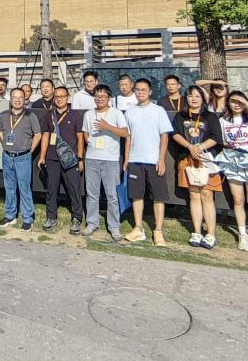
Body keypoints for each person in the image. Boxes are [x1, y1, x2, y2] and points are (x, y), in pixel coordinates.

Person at [171, 86, 224, 249]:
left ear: (203, 99)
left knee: (207, 195)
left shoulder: (210, 117)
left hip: (205, 159)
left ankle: (211, 234)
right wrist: (189, 146)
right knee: (193, 195)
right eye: (190, 96)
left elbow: (216, 137)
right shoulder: (180, 116)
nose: (193, 99)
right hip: (187, 158)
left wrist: (200, 147)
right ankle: (197, 231)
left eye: (197, 96)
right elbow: (175, 133)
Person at [122, 78, 173, 246]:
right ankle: (138, 228)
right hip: (135, 160)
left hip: (153, 160)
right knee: (136, 196)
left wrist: (161, 159)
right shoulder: (129, 112)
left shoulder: (158, 110)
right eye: (137, 89)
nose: (140, 92)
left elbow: (164, 136)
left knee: (159, 197)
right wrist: (126, 159)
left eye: (143, 90)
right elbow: (128, 138)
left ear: (150, 92)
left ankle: (158, 230)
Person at [81, 84, 129, 240]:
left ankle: (114, 227)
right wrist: (90, 142)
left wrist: (107, 127)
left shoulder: (116, 113)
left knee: (112, 195)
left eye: (103, 96)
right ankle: (92, 223)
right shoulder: (88, 114)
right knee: (92, 193)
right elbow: (85, 132)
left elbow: (125, 133)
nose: (99, 98)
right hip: (91, 158)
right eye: (97, 96)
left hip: (110, 160)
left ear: (109, 98)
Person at [219, 91, 248, 253]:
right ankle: (243, 234)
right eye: (233, 101)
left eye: (240, 101)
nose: (236, 104)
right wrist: (227, 144)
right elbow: (221, 139)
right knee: (238, 200)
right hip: (233, 160)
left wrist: (247, 104)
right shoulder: (223, 120)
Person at [39, 86, 84, 234]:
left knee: (74, 189)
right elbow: (45, 136)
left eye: (62, 96)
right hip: (52, 158)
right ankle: (51, 217)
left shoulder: (75, 115)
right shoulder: (49, 115)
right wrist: (42, 156)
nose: (59, 99)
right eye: (57, 97)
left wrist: (80, 158)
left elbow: (80, 138)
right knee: (51, 189)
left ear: (67, 97)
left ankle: (77, 218)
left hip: (70, 159)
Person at [0, 88, 42, 231]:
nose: (17, 100)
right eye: (14, 97)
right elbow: (1, 131)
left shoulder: (30, 115)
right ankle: (10, 215)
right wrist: (6, 145)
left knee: (24, 188)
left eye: (20, 97)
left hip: (23, 157)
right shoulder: (4, 115)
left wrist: (29, 150)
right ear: (10, 99)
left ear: (24, 99)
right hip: (7, 156)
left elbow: (38, 134)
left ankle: (28, 218)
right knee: (9, 188)